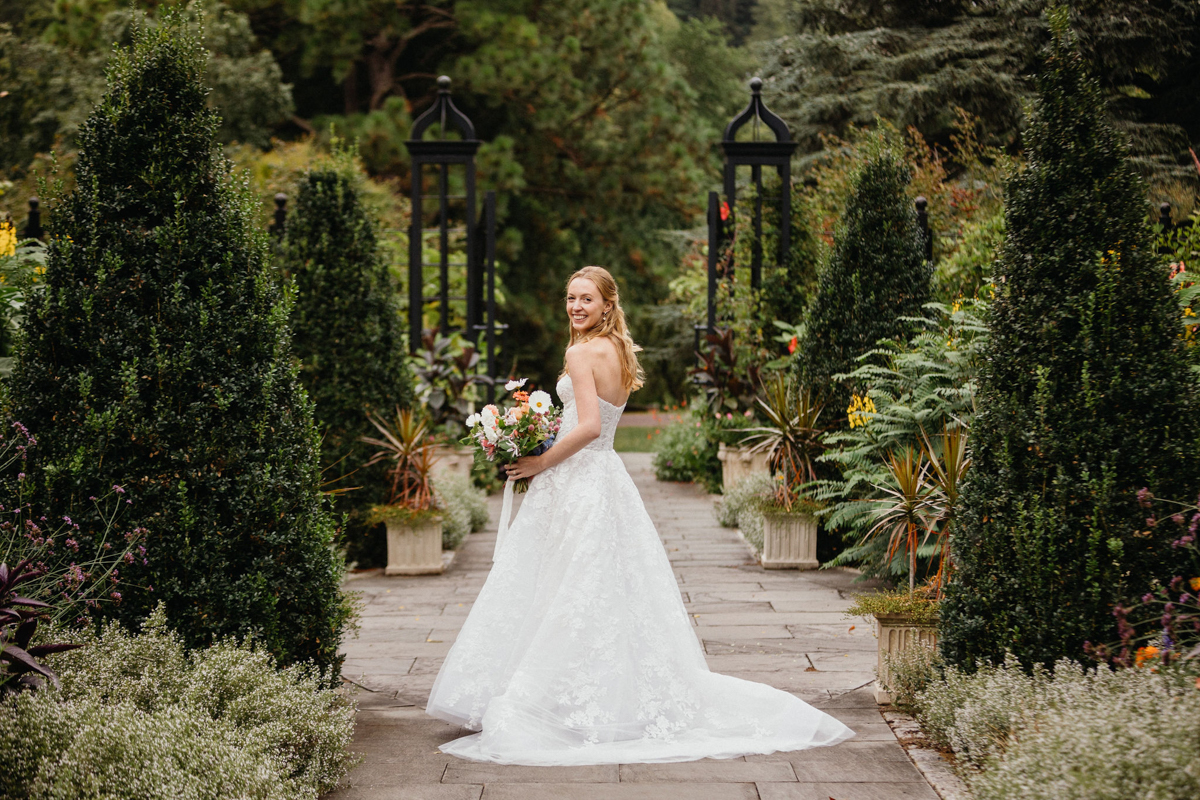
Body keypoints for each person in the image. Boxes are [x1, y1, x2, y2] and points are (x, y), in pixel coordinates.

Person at [426, 266, 853, 765]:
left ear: (608, 305)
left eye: (586, 299)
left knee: (560, 587)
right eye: (570, 298)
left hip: (577, 480)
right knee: (593, 590)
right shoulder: (619, 352)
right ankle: (596, 695)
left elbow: (586, 428)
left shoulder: (580, 352)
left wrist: (539, 460)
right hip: (604, 480)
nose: (576, 307)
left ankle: (552, 699)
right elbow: (594, 424)